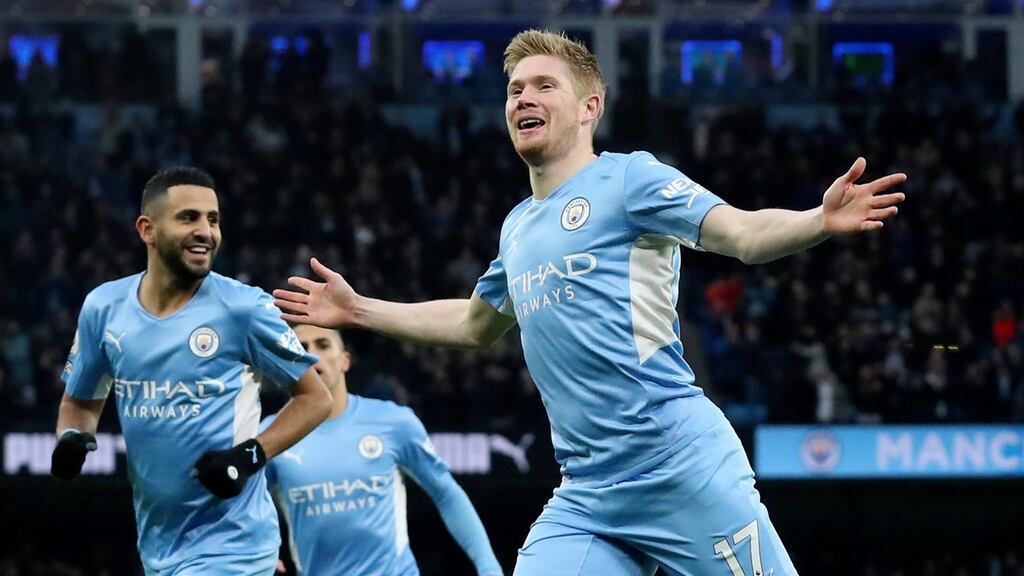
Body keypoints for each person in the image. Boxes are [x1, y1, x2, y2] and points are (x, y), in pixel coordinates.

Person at [273, 30, 906, 576]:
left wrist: (817, 220)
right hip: (587, 492)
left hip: (677, 464)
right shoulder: (517, 226)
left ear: (588, 107)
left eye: (544, 86)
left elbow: (740, 233)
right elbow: (474, 323)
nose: (524, 97)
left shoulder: (630, 178)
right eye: (515, 89)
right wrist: (359, 310)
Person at [52, 167, 333, 575]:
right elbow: (80, 401)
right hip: (159, 545)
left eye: (213, 219)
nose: (206, 231)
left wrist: (250, 455)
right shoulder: (103, 308)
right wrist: (72, 437)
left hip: (234, 542)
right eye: (189, 218)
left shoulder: (245, 309)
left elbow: (315, 398)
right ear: (147, 229)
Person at [262, 324, 503, 575]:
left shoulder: (393, 422)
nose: (312, 355)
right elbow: (244, 506)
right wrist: (255, 550)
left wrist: (489, 567)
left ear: (345, 361)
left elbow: (446, 493)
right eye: (301, 348)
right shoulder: (270, 435)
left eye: (323, 345)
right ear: (288, 364)